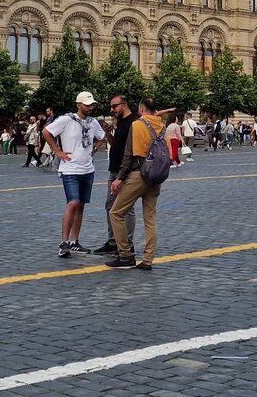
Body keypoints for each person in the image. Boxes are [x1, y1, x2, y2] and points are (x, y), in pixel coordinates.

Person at [108, 98, 168, 270]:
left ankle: (125, 255)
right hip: (156, 176)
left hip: (138, 175)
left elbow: (128, 154)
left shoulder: (137, 124)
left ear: (141, 108)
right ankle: (148, 260)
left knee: (116, 213)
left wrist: (119, 178)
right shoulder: (162, 127)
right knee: (150, 219)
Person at [45, 91, 106, 258]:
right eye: (87, 105)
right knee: (73, 202)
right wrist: (57, 151)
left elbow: (102, 136)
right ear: (78, 105)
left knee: (81, 206)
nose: (90, 107)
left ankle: (74, 241)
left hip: (87, 169)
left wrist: (94, 149)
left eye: (92, 105)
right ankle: (64, 242)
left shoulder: (93, 122)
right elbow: (47, 132)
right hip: (70, 169)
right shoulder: (66, 120)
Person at [93, 94, 137, 255]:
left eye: (114, 106)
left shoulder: (134, 122)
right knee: (110, 206)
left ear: (124, 105)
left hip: (126, 171)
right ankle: (113, 242)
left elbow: (132, 150)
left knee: (127, 208)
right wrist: (108, 134)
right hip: (114, 170)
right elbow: (116, 145)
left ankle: (127, 244)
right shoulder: (120, 122)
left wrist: (122, 174)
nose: (112, 110)